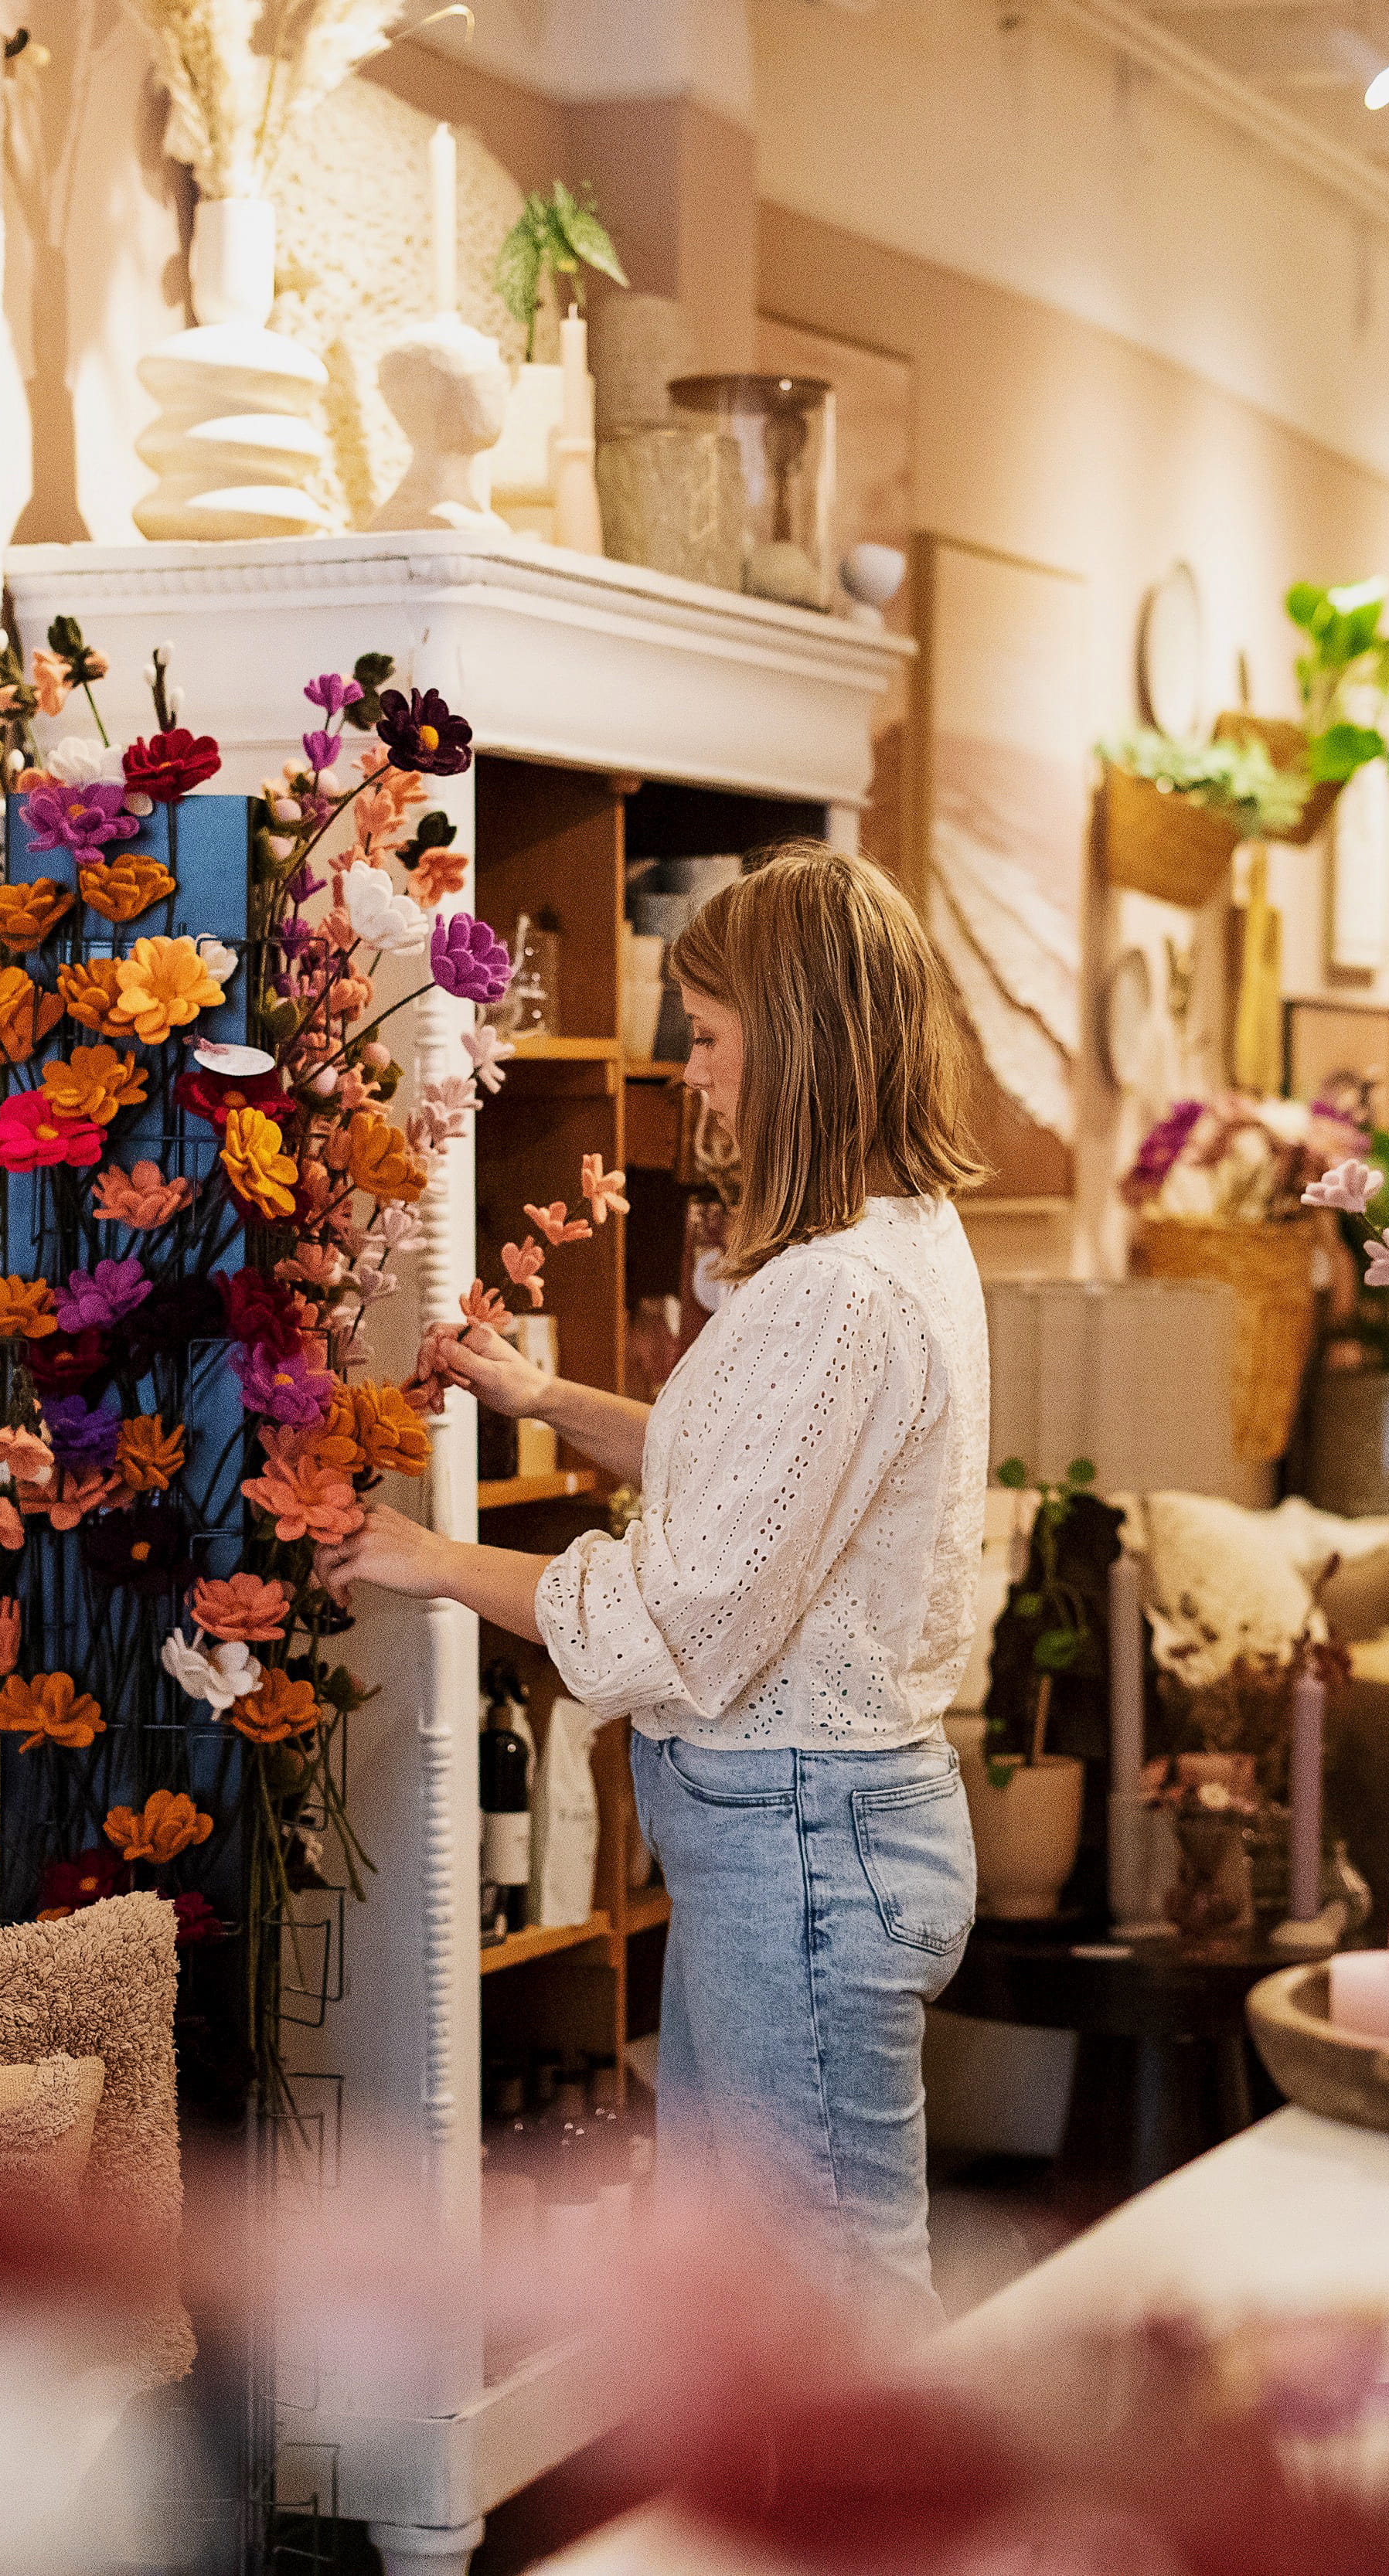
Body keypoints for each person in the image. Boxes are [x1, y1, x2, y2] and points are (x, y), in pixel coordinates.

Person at [320, 842, 994, 2316]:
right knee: (789, 2300)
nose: (692, 1073)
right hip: (817, 1839)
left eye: (708, 1034)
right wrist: (543, 1398)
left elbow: (680, 1617)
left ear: (799, 1040)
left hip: (803, 1852)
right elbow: (757, 1483)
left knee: (827, 2319)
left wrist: (421, 1555)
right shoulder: (897, 1243)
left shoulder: (838, 1291)